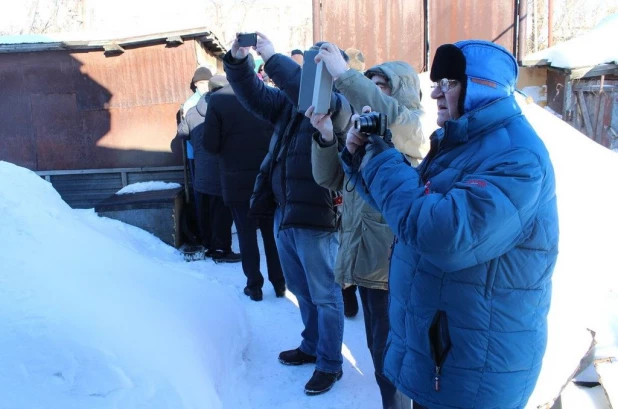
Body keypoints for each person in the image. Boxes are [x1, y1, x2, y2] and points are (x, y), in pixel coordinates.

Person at [341, 40, 559, 409]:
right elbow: (410, 209)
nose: (436, 92)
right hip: (448, 357)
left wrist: (381, 158)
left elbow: (440, 233)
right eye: (438, 81)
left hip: (474, 371)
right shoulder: (464, 142)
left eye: (450, 83)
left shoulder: (517, 157)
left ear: (483, 87)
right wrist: (362, 156)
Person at [223, 32, 353, 395]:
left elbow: (310, 94)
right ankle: (312, 345)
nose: (310, 76)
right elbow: (253, 95)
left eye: (318, 69)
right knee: (300, 288)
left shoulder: (340, 105)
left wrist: (274, 58)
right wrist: (238, 61)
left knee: (326, 295)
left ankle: (330, 362)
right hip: (286, 212)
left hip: (319, 219)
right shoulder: (288, 106)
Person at [308, 43, 426, 409]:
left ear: (401, 90)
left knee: (397, 361)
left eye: (381, 85)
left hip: (393, 268)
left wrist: (345, 76)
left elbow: (389, 114)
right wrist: (327, 136)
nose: (372, 92)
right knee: (380, 355)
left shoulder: (410, 128)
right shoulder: (368, 130)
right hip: (365, 265)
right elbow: (328, 178)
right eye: (369, 83)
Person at [202, 57, 286, 302]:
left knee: (247, 235)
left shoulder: (218, 100)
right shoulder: (269, 94)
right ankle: (279, 283)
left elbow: (210, 144)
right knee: (271, 234)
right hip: (267, 177)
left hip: (236, 181)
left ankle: (255, 286)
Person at [178, 75, 241, 263]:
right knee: (221, 215)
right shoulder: (229, 110)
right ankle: (221, 250)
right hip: (222, 173)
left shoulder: (191, 112)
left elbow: (182, 133)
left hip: (201, 172)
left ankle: (208, 245)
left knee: (204, 212)